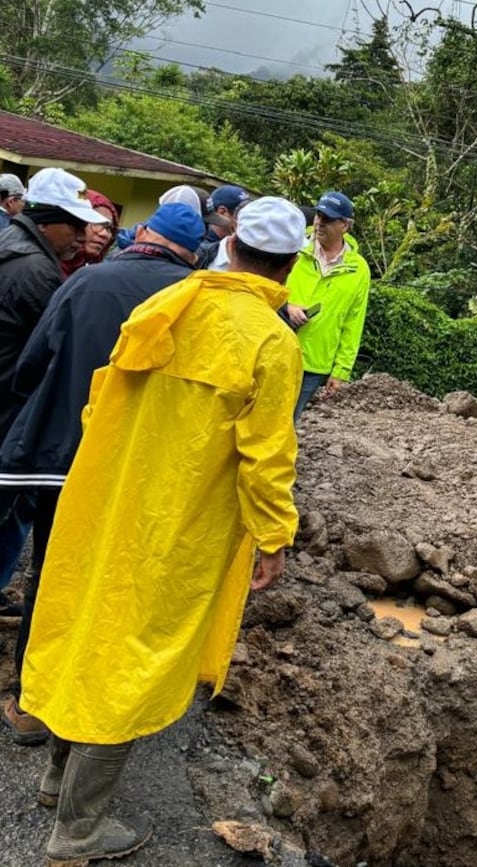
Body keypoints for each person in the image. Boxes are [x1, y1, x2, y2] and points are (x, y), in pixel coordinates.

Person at [20, 196, 306, 865]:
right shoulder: (271, 341)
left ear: (229, 246)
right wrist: (274, 535)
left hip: (108, 500)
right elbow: (268, 456)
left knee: (90, 623)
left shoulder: (165, 307)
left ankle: (56, 779)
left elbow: (101, 400)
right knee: (134, 656)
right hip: (178, 522)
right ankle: (77, 830)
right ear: (288, 266)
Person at [0, 202, 204, 747]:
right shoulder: (196, 303)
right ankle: (96, 708)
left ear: (143, 239)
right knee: (122, 581)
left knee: (52, 572)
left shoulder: (87, 283)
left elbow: (31, 365)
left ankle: (30, 704)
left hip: (66, 459)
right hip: (146, 471)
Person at [0, 168, 109, 634]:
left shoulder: (15, 248)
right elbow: (46, 354)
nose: (84, 235)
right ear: (48, 221)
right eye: (76, 225)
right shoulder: (36, 271)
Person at [283, 191, 371, 423]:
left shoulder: (358, 269)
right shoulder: (295, 246)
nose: (319, 222)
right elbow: (265, 285)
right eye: (318, 215)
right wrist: (286, 306)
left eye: (328, 218)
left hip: (314, 362)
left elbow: (353, 322)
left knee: (288, 421)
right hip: (277, 347)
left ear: (345, 225)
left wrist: (341, 371)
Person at [61, 191, 119, 276]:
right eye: (96, 222)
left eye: (109, 228)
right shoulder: (43, 263)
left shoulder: (96, 274)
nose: (104, 234)